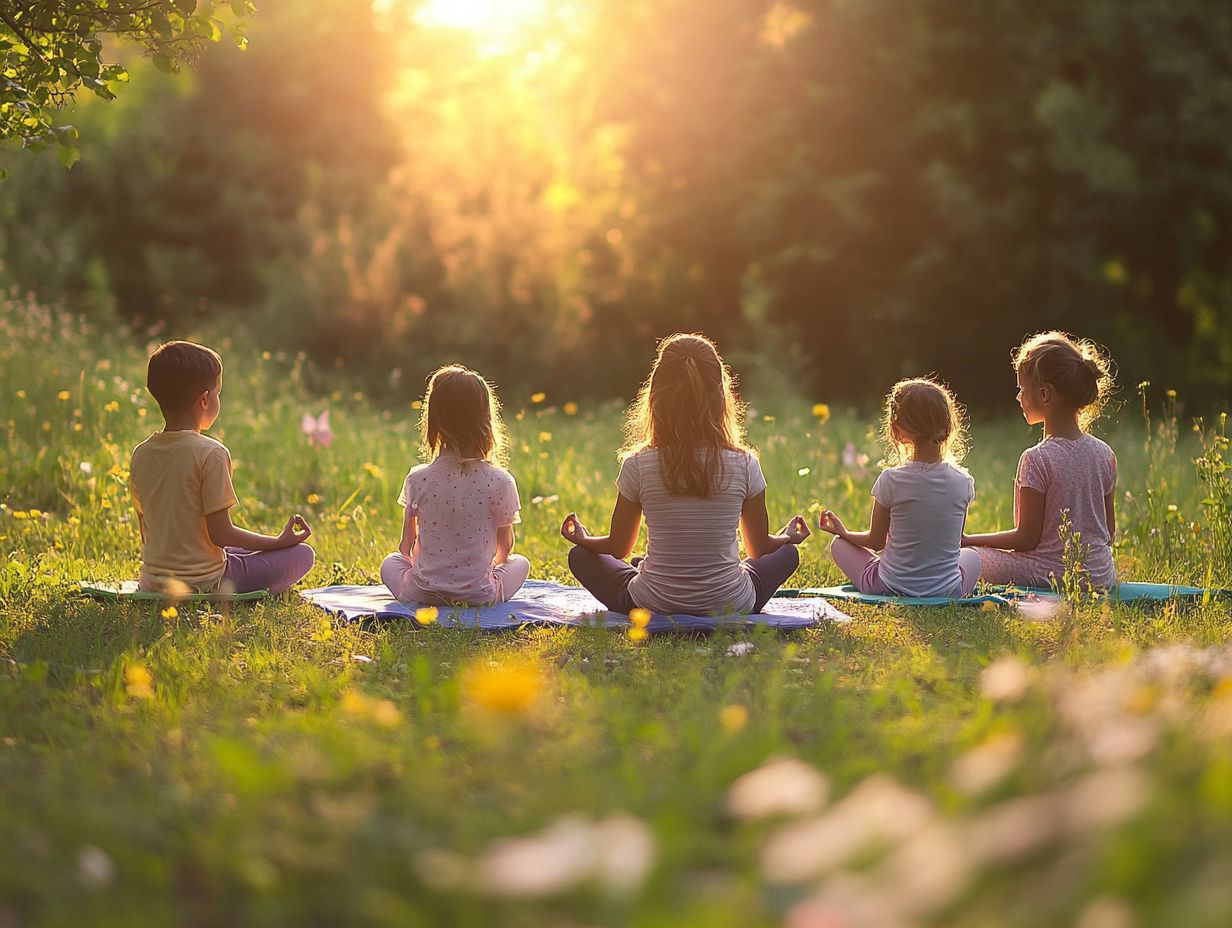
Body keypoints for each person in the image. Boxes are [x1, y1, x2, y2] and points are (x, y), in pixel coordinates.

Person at [560, 332, 809, 615]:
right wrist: (786, 537)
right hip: (730, 603)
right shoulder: (745, 463)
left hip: (652, 603)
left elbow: (618, 548)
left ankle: (655, 575)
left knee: (581, 557)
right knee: (787, 554)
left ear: (655, 397)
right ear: (721, 396)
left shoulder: (637, 464)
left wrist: (583, 539)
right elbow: (758, 549)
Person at [130, 341, 314, 595]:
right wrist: (277, 542)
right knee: (303, 555)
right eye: (218, 393)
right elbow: (221, 534)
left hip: (152, 580)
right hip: (204, 582)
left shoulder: (141, 453)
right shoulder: (211, 453)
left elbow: (147, 527)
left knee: (243, 550)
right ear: (205, 399)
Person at [962, 331, 1118, 589]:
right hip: (1101, 577)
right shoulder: (1105, 454)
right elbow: (1109, 533)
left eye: (1022, 388)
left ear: (1045, 394)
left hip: (1052, 575)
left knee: (969, 558)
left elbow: (1025, 540)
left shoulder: (1036, 459)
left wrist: (968, 540)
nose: (1018, 397)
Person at [380, 365, 529, 606]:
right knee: (521, 563)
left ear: (434, 419)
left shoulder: (417, 479)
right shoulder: (501, 480)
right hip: (479, 595)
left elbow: (405, 547)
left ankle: (427, 589)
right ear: (485, 419)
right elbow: (505, 551)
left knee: (390, 562)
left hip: (422, 594)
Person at [817, 378, 980, 598]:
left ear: (896, 430)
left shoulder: (890, 479)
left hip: (890, 586)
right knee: (973, 556)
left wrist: (843, 532)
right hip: (948, 590)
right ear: (948, 427)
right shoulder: (964, 481)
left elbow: (875, 542)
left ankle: (888, 577)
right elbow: (954, 539)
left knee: (838, 544)